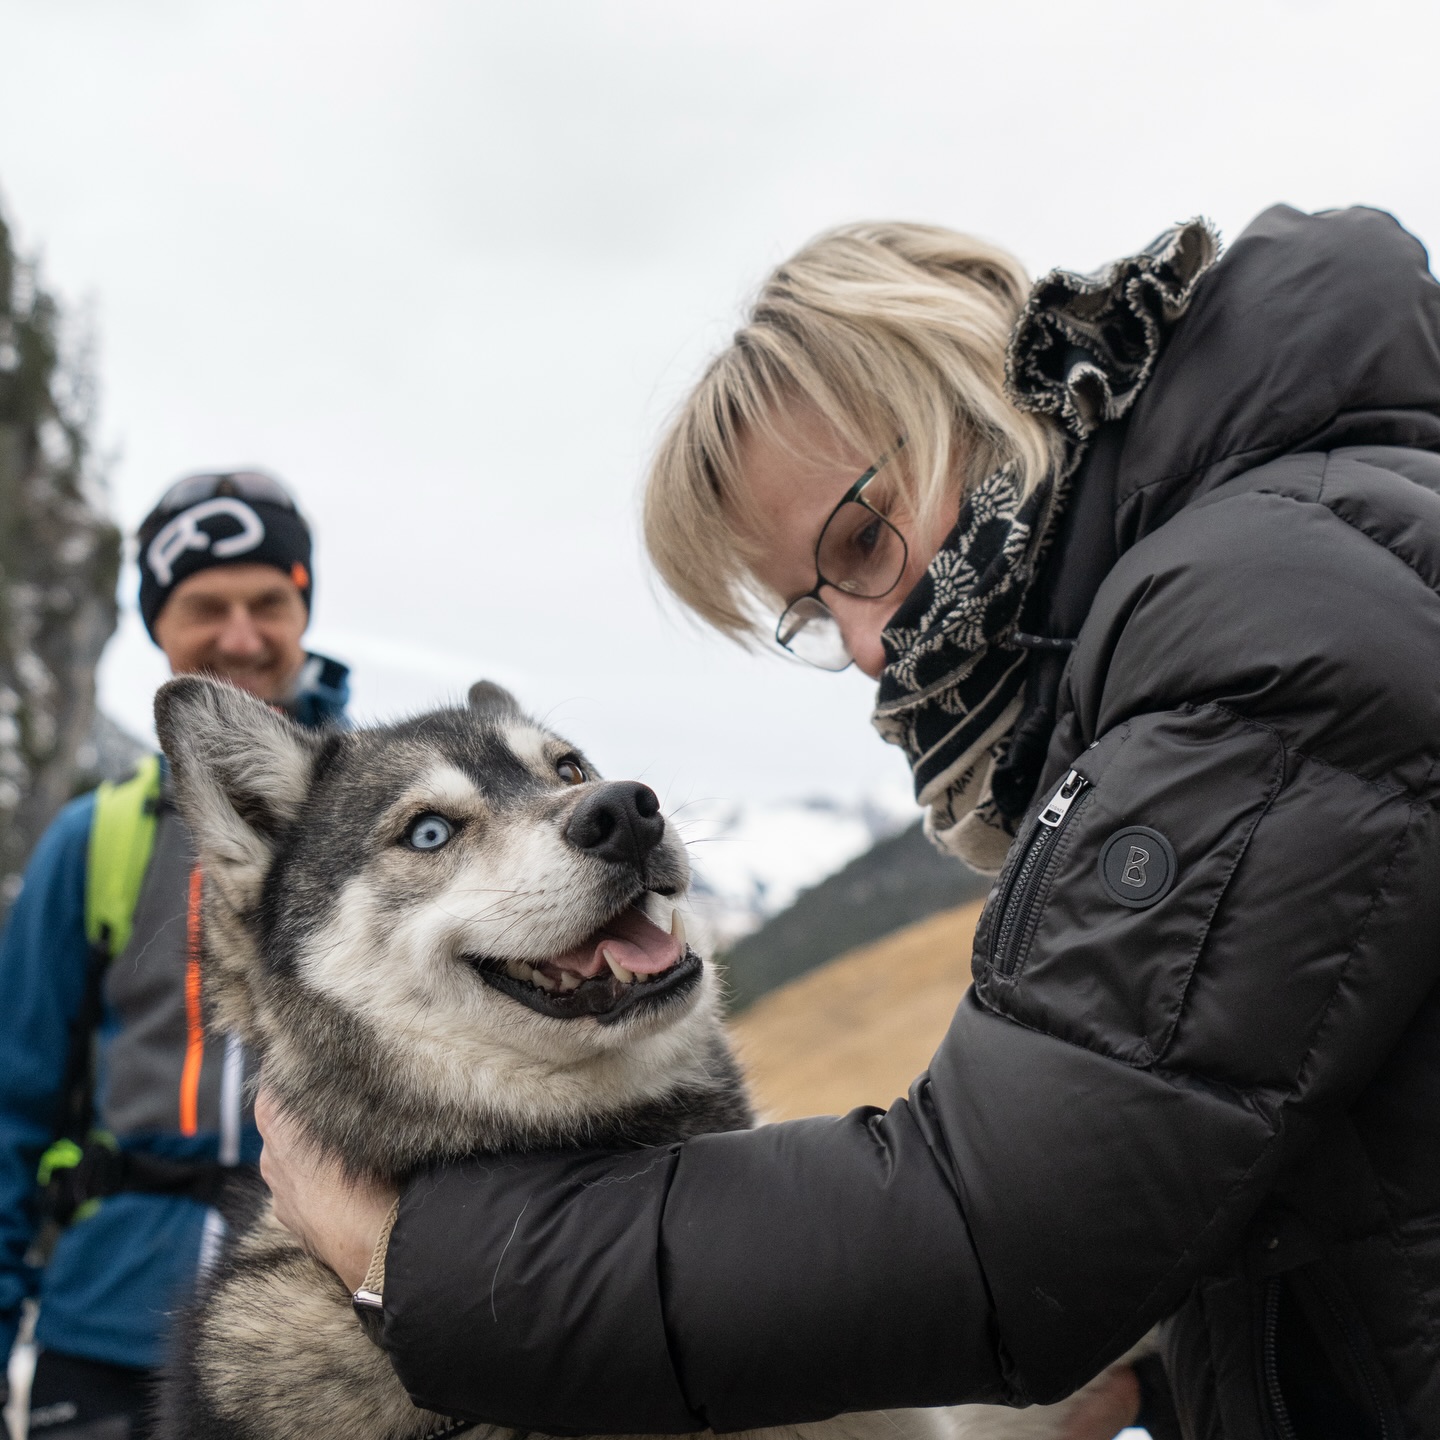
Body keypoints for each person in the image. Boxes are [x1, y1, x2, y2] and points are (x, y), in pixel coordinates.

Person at [259, 206, 1440, 1439]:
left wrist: (413, 1259)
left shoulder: (1268, 609)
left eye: (865, 540)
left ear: (978, 397)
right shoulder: (1270, 567)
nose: (875, 648)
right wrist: (1175, 1364)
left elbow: (1004, 1234)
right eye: (814, 615)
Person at [0, 471, 349, 1440]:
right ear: (159, 626)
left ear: (302, 608)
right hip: (109, 1336)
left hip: (330, 1340)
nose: (240, 635)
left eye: (267, 602)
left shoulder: (384, 823)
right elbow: (8, 1113)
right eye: (205, 607)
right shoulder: (92, 842)